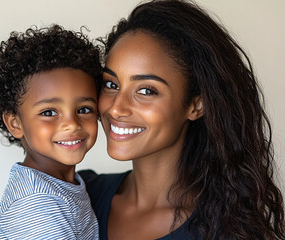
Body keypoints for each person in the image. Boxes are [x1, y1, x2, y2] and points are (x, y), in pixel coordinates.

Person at [79, 0, 285, 239]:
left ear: (196, 105)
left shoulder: (227, 230)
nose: (116, 108)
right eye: (111, 84)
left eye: (146, 91)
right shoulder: (76, 195)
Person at [0, 24, 101, 239]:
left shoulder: (62, 185)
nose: (72, 123)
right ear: (15, 123)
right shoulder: (35, 203)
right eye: (49, 112)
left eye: (84, 109)